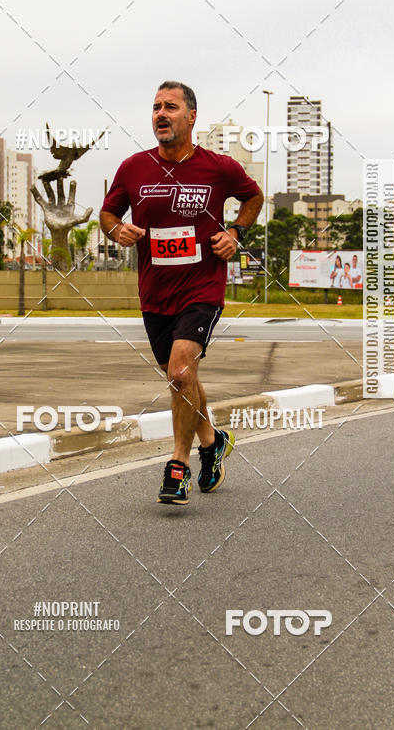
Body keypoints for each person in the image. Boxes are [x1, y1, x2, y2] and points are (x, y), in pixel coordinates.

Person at [100, 81, 263, 505]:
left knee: (178, 371)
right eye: (155, 107)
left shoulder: (219, 167)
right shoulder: (134, 167)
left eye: (170, 107)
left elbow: (253, 196)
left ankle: (178, 464)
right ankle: (212, 442)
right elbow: (108, 211)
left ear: (192, 116)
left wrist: (236, 233)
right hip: (155, 292)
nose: (160, 114)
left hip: (202, 286)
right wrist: (117, 229)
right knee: (181, 377)